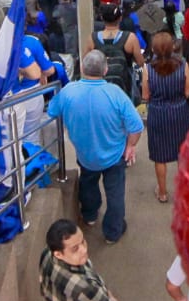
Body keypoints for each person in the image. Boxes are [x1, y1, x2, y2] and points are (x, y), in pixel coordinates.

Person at [49, 50, 143, 243]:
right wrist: (131, 146)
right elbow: (136, 125)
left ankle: (90, 215)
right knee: (115, 193)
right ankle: (112, 232)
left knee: (88, 183)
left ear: (82, 68)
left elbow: (52, 110)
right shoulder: (115, 93)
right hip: (114, 155)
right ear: (106, 70)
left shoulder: (68, 91)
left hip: (85, 154)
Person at [39, 219, 121, 301]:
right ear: (58, 254)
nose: (84, 249)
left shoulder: (47, 255)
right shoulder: (82, 289)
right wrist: (111, 298)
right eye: (75, 248)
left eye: (83, 241)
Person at [141, 32, 189, 204]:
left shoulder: (148, 69)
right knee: (181, 153)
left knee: (160, 156)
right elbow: (188, 92)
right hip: (179, 112)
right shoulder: (183, 65)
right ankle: (183, 192)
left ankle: (162, 192)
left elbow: (145, 96)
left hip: (158, 113)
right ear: (172, 47)